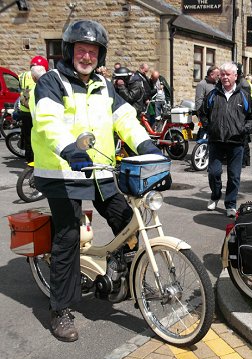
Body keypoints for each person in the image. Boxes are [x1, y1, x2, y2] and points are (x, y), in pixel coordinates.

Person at [31, 20, 165, 342]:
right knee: (67, 236)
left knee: (126, 221)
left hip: (99, 170)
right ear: (69, 51)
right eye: (81, 50)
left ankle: (127, 277)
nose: (87, 56)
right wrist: (68, 149)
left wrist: (147, 147)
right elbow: (48, 122)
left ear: (100, 55)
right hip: (62, 170)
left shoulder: (105, 87)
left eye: (93, 51)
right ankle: (60, 309)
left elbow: (125, 120)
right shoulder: (51, 82)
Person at [198, 62, 252, 217]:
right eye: (222, 74)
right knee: (214, 173)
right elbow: (202, 113)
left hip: (236, 143)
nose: (224, 77)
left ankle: (230, 204)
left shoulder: (244, 95)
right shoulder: (213, 94)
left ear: (235, 76)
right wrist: (208, 127)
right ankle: (215, 195)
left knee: (234, 176)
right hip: (216, 141)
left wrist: (243, 130)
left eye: (227, 74)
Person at [18, 55, 49, 163]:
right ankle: (38, 160)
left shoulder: (23, 76)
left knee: (28, 137)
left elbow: (21, 90)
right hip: (36, 110)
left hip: (25, 110)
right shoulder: (45, 77)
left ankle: (29, 160)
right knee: (40, 136)